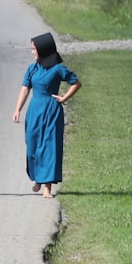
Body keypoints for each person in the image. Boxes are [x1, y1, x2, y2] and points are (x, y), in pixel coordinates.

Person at [12, 33, 81, 199]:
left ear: (43, 50)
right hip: (35, 110)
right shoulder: (32, 68)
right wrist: (17, 109)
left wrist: (64, 98)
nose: (32, 52)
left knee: (49, 146)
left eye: (34, 49)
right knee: (33, 144)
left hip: (51, 110)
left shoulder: (58, 69)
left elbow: (76, 83)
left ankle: (47, 188)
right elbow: (25, 89)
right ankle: (37, 178)